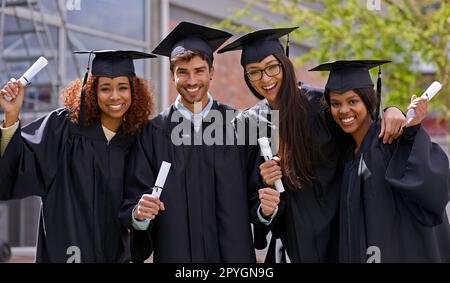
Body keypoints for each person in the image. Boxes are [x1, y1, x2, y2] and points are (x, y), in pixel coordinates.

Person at [218, 28, 406, 262]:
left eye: (271, 67)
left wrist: (391, 109)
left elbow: (362, 126)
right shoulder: (248, 124)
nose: (265, 79)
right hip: (289, 245)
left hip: (339, 234)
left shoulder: (321, 105)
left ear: (284, 63)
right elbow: (251, 200)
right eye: (254, 73)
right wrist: (266, 194)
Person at [119, 21, 269, 263]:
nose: (192, 81)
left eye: (199, 71)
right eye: (183, 72)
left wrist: (265, 209)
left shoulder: (239, 126)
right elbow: (135, 201)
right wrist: (139, 212)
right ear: (172, 75)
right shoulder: (152, 133)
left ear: (211, 72)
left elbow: (257, 196)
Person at [0, 50, 155, 262]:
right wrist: (11, 115)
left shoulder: (137, 140)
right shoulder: (63, 128)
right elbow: (20, 166)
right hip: (65, 253)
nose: (115, 96)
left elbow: (137, 204)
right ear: (91, 91)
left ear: (134, 92)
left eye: (122, 87)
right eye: (105, 88)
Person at [309, 59, 450, 262]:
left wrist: (411, 131)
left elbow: (433, 190)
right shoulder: (345, 153)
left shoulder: (390, 140)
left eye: (352, 101)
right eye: (335, 104)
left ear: (367, 100)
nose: (343, 110)